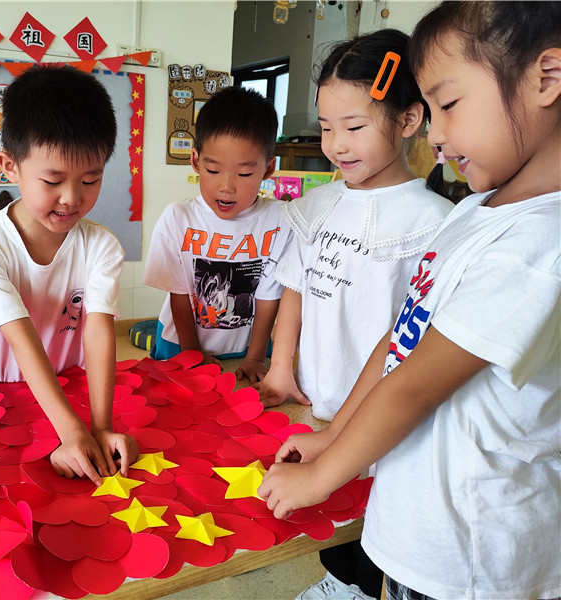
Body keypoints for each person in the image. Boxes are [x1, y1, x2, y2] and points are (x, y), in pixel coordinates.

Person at [259, 3, 561, 599]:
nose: (437, 135)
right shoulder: (477, 213)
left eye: (448, 105)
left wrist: (322, 474)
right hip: (421, 533)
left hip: (476, 558)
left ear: (545, 77)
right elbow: (400, 341)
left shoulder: (539, 241)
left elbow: (418, 383)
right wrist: (332, 435)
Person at [256, 28, 454, 600]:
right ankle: (342, 577)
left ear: (409, 120)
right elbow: (295, 285)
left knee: (378, 501)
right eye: (326, 128)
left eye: (355, 126)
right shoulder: (317, 204)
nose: (337, 144)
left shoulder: (432, 220)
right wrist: (281, 367)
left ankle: (364, 586)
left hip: (385, 400)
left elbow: (412, 332)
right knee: (334, 505)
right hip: (323, 390)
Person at [0, 65, 138, 486]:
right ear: (10, 167)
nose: (72, 198)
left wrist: (99, 425)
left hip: (64, 390)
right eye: (53, 180)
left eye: (91, 180)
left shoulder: (102, 246)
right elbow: (22, 338)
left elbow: (98, 332)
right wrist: (72, 430)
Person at [143, 86, 292, 383]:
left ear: (268, 169)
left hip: (247, 347)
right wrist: (191, 352)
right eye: (213, 171)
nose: (226, 187)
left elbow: (268, 296)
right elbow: (180, 293)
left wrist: (254, 356)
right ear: (196, 161)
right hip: (179, 343)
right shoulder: (178, 217)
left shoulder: (279, 220)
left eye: (245, 174)